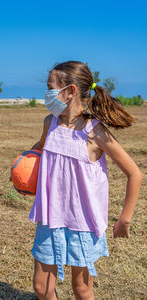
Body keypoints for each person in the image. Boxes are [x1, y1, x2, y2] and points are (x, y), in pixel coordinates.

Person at [26, 61, 142, 300]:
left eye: (50, 87)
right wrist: (22, 167)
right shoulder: (50, 123)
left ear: (70, 91)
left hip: (82, 224)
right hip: (50, 218)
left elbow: (135, 173)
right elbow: (38, 150)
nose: (47, 94)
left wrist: (125, 219)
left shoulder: (95, 132)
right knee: (42, 287)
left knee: (82, 289)